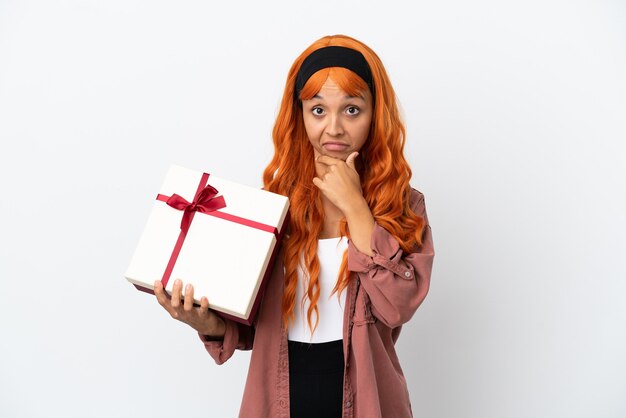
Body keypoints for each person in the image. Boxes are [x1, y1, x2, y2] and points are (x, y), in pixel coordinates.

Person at [153, 34, 434, 418]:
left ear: (375, 113)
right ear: (299, 115)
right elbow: (251, 328)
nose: (333, 128)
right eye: (318, 110)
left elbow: (398, 306)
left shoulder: (402, 204)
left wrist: (356, 207)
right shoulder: (273, 205)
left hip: (367, 400)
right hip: (279, 397)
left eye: (352, 110)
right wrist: (209, 323)